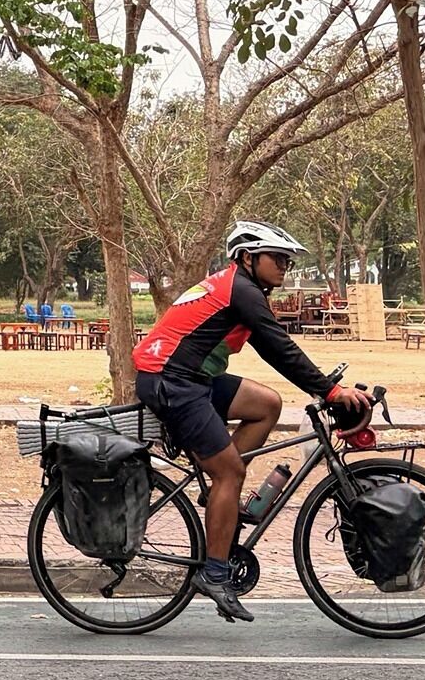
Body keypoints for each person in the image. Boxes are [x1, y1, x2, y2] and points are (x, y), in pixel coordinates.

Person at [132, 221, 371, 623]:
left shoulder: (241, 289)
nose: (284, 266)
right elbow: (280, 347)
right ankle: (214, 572)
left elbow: (272, 347)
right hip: (171, 382)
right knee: (230, 474)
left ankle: (217, 493)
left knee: (266, 404)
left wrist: (323, 387)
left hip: (191, 377)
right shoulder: (239, 290)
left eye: (287, 261)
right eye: (277, 259)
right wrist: (330, 392)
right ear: (247, 257)